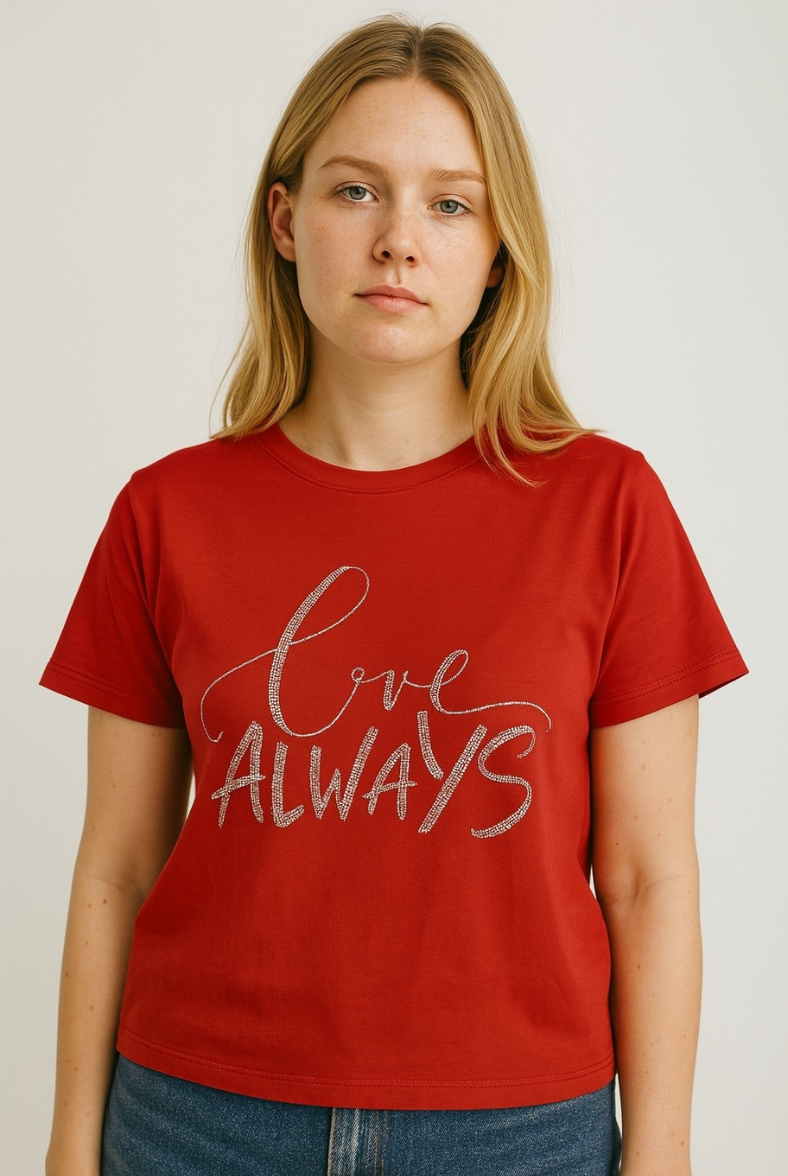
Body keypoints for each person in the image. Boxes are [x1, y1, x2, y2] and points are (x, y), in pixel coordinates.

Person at [40, 14, 748, 1176]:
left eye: (449, 204)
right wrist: (70, 1147)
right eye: (355, 191)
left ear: (497, 248)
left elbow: (647, 879)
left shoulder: (607, 506)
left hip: (518, 1133)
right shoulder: (164, 514)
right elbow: (114, 866)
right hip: (196, 1121)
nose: (398, 243)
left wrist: (660, 1153)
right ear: (285, 221)